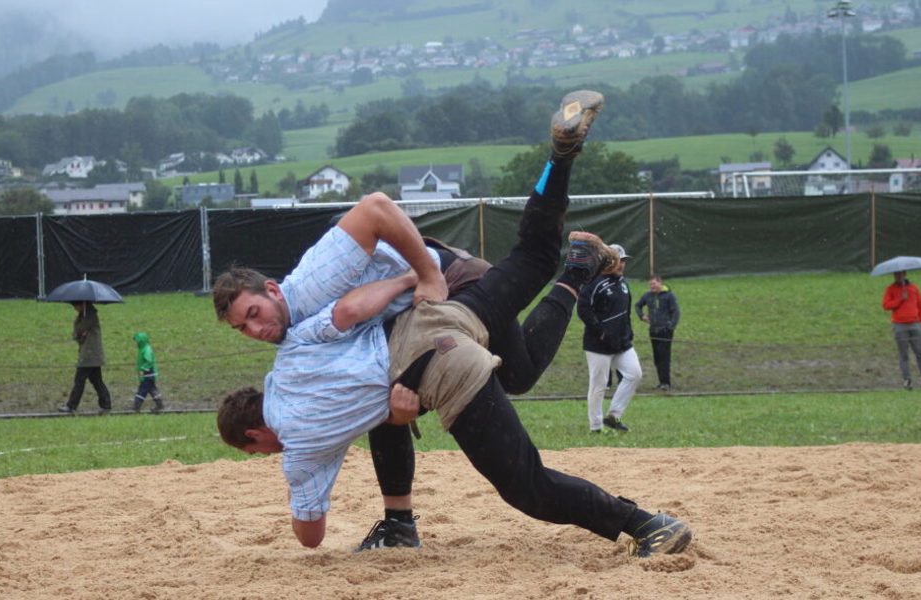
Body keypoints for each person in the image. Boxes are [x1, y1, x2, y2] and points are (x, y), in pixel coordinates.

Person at [214, 90, 692, 558]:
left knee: (525, 482)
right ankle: (562, 163)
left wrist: (419, 274)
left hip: (444, 292)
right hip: (428, 323)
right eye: (242, 329)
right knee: (527, 300)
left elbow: (374, 216)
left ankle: (647, 525)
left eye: (253, 315)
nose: (255, 331)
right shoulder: (293, 350)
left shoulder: (312, 293)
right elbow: (349, 319)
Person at [578, 244, 642, 433]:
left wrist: (627, 332)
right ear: (606, 261)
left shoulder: (622, 283)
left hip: (622, 343)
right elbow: (583, 309)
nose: (621, 264)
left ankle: (613, 416)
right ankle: (595, 427)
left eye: (623, 261)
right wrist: (601, 331)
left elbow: (626, 312)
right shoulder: (594, 282)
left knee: (634, 374)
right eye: (617, 260)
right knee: (599, 385)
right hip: (598, 344)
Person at [883, 271, 921, 390]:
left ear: (905, 274)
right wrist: (899, 300)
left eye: (900, 274)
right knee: (904, 355)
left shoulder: (913, 288)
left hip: (915, 324)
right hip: (899, 325)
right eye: (896, 275)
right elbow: (886, 305)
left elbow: (920, 304)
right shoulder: (890, 289)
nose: (898, 277)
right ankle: (907, 380)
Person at [58, 301, 112, 414]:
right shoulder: (85, 315)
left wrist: (76, 322)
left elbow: (78, 330)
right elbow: (77, 335)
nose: (74, 309)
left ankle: (71, 406)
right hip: (91, 355)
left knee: (79, 380)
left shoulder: (89, 316)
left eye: (75, 306)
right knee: (96, 381)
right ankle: (106, 404)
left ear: (82, 305)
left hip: (89, 356)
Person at [635, 274, 681, 391]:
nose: (652, 286)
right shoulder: (648, 296)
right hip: (653, 331)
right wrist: (642, 316)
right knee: (657, 357)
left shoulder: (669, 296)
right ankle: (661, 381)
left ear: (660, 283)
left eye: (654, 284)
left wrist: (671, 326)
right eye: (650, 284)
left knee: (664, 357)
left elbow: (676, 312)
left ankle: (666, 382)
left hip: (665, 331)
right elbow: (638, 305)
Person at [132, 332, 165, 413]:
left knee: (143, 389)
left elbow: (149, 361)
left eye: (137, 341)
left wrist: (143, 369)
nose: (136, 343)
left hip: (148, 374)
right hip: (148, 374)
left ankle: (137, 404)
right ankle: (159, 404)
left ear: (141, 341)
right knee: (152, 389)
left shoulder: (146, 349)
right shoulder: (143, 348)